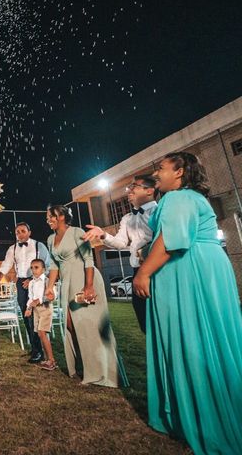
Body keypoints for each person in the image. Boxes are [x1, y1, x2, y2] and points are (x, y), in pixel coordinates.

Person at [133, 152, 242, 454]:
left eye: (161, 168)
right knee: (211, 339)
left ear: (179, 172)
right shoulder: (189, 197)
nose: (156, 173)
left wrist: (144, 272)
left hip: (189, 271)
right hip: (204, 268)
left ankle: (207, 415)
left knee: (193, 340)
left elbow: (172, 240)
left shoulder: (179, 197)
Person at [45, 205, 120, 387]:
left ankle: (99, 372)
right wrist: (49, 287)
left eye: (50, 216)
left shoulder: (77, 232)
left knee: (88, 325)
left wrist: (88, 286)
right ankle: (83, 366)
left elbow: (89, 259)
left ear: (61, 216)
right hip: (67, 284)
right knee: (70, 324)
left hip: (85, 280)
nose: (48, 220)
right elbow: (54, 265)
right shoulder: (50, 238)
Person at [83, 174, 157, 332]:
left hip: (158, 269)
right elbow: (120, 243)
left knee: (163, 319)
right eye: (129, 187)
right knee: (145, 321)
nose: (129, 190)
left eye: (134, 186)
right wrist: (103, 234)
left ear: (150, 191)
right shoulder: (127, 218)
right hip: (137, 270)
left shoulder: (160, 211)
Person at [0, 222, 51, 363]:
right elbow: (7, 262)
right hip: (20, 283)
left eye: (23, 231)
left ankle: (39, 352)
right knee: (26, 316)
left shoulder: (40, 246)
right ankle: (35, 347)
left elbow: (47, 266)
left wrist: (32, 279)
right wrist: (0, 273)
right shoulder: (12, 248)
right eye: (17, 232)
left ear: (29, 232)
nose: (20, 234)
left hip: (36, 282)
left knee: (35, 316)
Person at [24, 259, 56, 371]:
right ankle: (48, 359)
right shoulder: (31, 283)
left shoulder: (48, 281)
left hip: (45, 309)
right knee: (39, 334)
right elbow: (30, 297)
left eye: (36, 267)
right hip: (36, 311)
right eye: (32, 267)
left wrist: (40, 300)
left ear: (43, 269)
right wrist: (28, 308)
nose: (33, 270)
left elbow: (53, 296)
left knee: (42, 333)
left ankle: (51, 361)